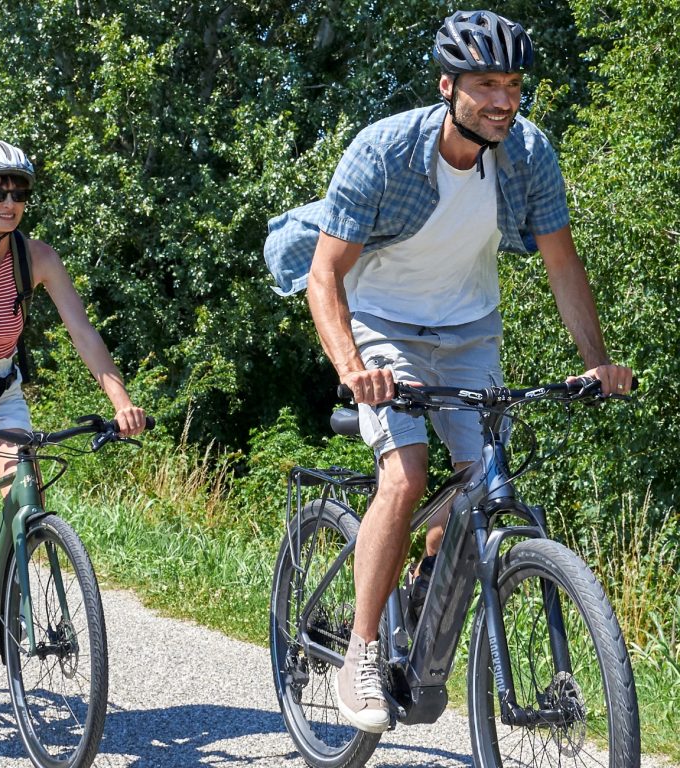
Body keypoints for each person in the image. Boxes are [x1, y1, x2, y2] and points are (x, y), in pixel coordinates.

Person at [264, 10, 633, 733]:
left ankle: (421, 599)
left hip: (469, 330)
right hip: (381, 325)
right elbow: (324, 276)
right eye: (487, 84)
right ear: (448, 86)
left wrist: (598, 363)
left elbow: (562, 262)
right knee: (405, 472)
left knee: (486, 480)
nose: (504, 99)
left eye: (515, 84)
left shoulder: (527, 153)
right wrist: (352, 368)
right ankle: (361, 653)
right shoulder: (387, 151)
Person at [0, 140, 146, 672]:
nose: (9, 202)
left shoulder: (38, 257)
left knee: (26, 485)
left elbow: (82, 332)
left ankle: (3, 595)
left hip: (1, 394)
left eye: (18, 193)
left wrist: (122, 400)